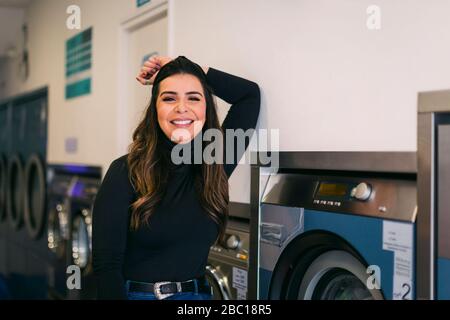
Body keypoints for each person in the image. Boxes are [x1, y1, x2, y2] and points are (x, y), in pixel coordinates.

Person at [92, 55, 260, 300]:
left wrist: (191, 67)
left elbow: (248, 96)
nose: (182, 108)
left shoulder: (214, 163)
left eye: (194, 98)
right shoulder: (125, 171)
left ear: (206, 108)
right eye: (169, 98)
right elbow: (106, 266)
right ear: (155, 109)